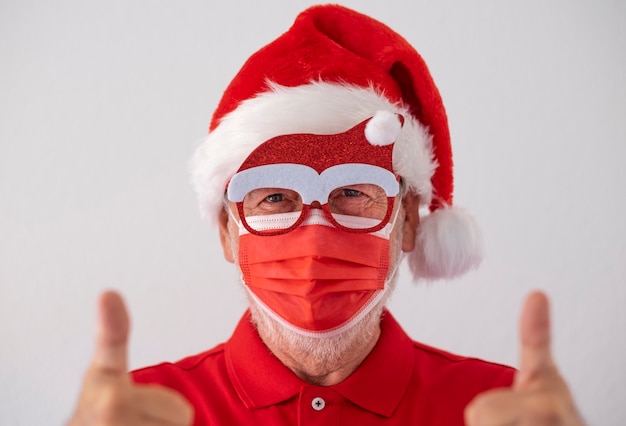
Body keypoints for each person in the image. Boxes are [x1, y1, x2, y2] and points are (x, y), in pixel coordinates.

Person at [68, 5, 584, 425]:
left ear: (407, 221)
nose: (316, 235)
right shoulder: (139, 414)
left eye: (353, 193)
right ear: (227, 231)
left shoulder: (502, 410)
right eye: (273, 198)